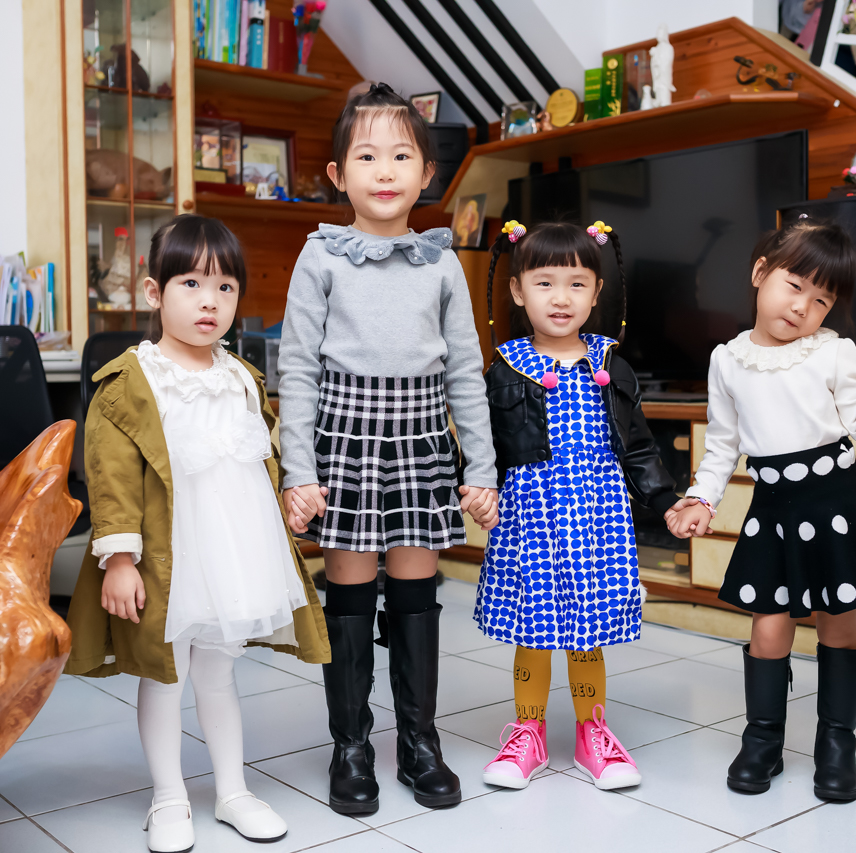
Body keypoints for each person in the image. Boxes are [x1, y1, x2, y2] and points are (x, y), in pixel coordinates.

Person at [64, 215, 330, 852]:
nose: (210, 302)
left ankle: (232, 791)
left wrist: (290, 501)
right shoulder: (132, 381)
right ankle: (169, 796)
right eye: (191, 284)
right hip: (168, 554)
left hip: (232, 550)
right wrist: (119, 560)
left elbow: (257, 459)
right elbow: (111, 476)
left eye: (225, 288)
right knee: (165, 673)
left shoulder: (241, 377)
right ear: (154, 293)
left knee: (218, 673)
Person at [277, 83, 500, 816]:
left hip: (420, 442)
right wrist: (298, 471)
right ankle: (351, 746)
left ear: (426, 173)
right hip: (345, 442)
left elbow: (465, 371)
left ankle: (418, 742)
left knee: (414, 586)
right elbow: (297, 369)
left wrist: (481, 468)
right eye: (366, 156)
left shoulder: (440, 262)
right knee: (349, 586)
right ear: (338, 174)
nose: (384, 170)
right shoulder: (321, 256)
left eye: (401, 156)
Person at [669, 219, 856, 803]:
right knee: (769, 625)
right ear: (761, 273)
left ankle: (837, 742)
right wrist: (702, 497)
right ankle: (763, 739)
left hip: (837, 502)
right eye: (795, 286)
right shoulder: (728, 360)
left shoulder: (832, 351)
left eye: (822, 299)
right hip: (774, 508)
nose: (804, 306)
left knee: (839, 619)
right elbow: (723, 444)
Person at [474, 220, 684, 791]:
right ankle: (529, 733)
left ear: (597, 292)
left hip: (597, 515)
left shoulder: (610, 365)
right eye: (544, 283)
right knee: (533, 629)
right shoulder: (505, 367)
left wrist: (665, 499)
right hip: (530, 518)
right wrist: (477, 486)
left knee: (586, 632)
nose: (560, 298)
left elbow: (638, 445)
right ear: (518, 290)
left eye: (576, 284)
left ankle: (594, 732)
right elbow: (484, 443)